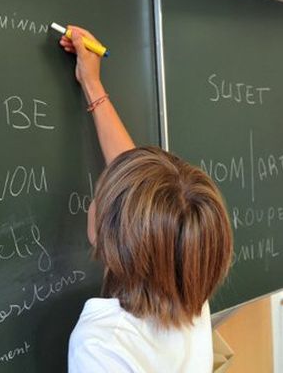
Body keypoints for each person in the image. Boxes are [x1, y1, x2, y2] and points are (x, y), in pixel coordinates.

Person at [59, 26, 233, 373]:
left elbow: (138, 191)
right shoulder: (189, 296)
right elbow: (140, 188)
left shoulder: (101, 345)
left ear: (118, 236)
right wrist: (92, 85)